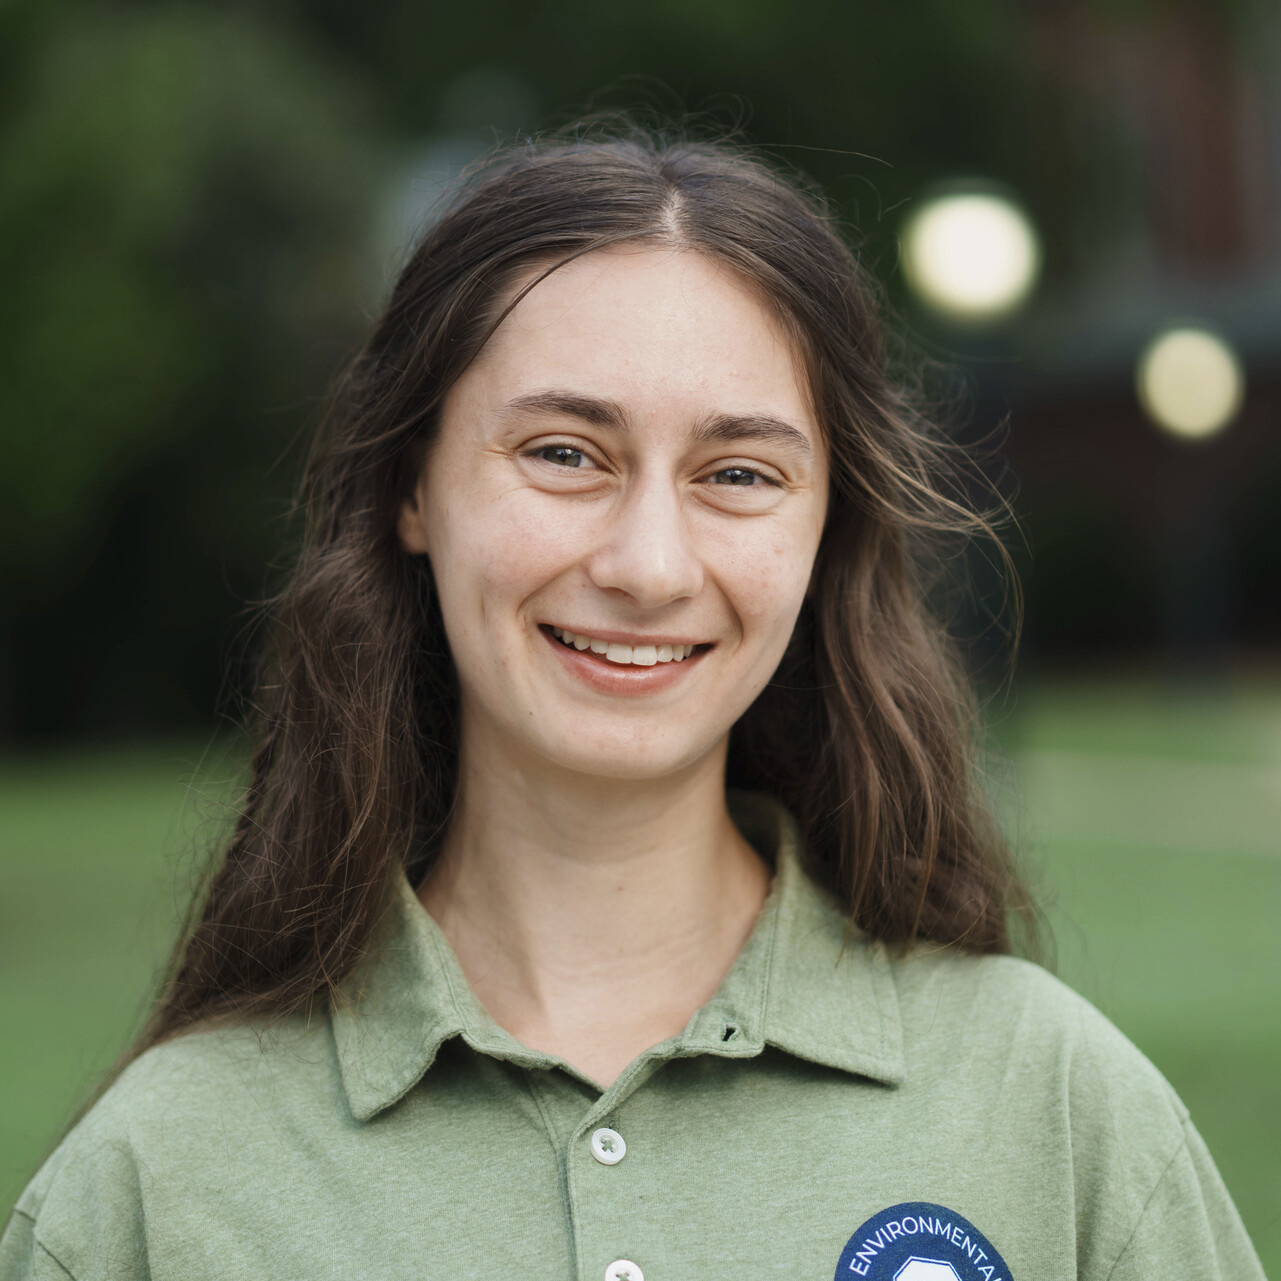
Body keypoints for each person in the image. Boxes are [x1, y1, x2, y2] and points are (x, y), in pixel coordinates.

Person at [0, 126, 1263, 1281]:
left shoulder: (1051, 1107)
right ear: (413, 489)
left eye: (739, 472)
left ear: (826, 531)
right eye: (564, 454)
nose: (649, 566)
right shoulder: (154, 1191)